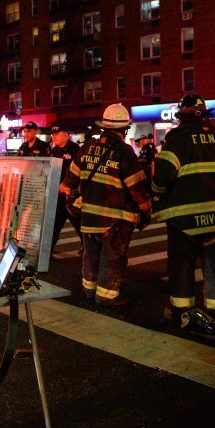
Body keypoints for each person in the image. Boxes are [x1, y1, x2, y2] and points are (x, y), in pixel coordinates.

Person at [152, 94, 215, 324]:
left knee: (182, 265)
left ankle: (181, 311)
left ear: (182, 118)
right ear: (204, 116)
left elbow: (161, 178)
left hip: (184, 221)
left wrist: (156, 193)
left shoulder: (176, 141)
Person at [60, 104, 151, 306]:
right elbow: (137, 189)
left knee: (91, 254)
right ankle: (106, 296)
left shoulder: (86, 148)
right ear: (124, 129)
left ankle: (89, 290)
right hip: (115, 219)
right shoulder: (125, 152)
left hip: (89, 216)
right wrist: (145, 209)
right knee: (112, 257)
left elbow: (69, 182)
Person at [49, 124, 81, 256]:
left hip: (71, 195)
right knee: (54, 224)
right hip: (56, 195)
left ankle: (89, 249)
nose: (54, 136)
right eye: (53, 134)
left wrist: (67, 185)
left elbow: (79, 172)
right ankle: (48, 250)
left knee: (79, 223)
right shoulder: (54, 150)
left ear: (66, 135)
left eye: (57, 133)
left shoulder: (76, 150)